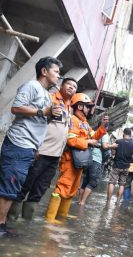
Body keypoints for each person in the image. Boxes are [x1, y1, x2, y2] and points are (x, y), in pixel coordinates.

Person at [0, 56, 62, 236]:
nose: (58, 76)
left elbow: (41, 118)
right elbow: (16, 107)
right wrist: (43, 111)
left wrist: (50, 114)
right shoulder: (32, 86)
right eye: (56, 72)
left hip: (29, 147)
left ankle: (3, 224)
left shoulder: (47, 94)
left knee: (14, 184)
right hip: (19, 142)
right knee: (9, 184)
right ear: (44, 71)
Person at [10, 77, 78, 220]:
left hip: (55, 156)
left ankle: (26, 225)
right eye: (69, 84)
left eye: (74, 86)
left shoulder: (69, 108)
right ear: (61, 86)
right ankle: (11, 220)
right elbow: (38, 121)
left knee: (39, 190)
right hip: (42, 151)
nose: (72, 87)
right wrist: (37, 147)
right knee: (25, 185)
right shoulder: (51, 99)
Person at [45, 93, 108, 224]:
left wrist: (102, 127)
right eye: (87, 106)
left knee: (73, 188)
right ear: (80, 106)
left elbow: (94, 136)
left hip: (79, 161)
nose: (89, 109)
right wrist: (88, 143)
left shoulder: (84, 123)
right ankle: (50, 218)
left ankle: (62, 215)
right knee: (63, 186)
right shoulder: (73, 120)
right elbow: (71, 140)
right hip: (70, 159)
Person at [78, 122, 117, 205]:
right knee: (93, 182)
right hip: (96, 159)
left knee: (85, 181)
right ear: (105, 127)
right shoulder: (104, 134)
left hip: (87, 157)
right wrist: (112, 146)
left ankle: (79, 201)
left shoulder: (93, 132)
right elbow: (105, 146)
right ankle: (82, 202)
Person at [106, 128, 133, 205]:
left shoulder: (118, 141)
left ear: (124, 133)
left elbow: (113, 152)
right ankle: (118, 202)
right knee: (122, 184)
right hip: (126, 167)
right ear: (130, 135)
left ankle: (108, 201)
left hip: (117, 165)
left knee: (112, 182)